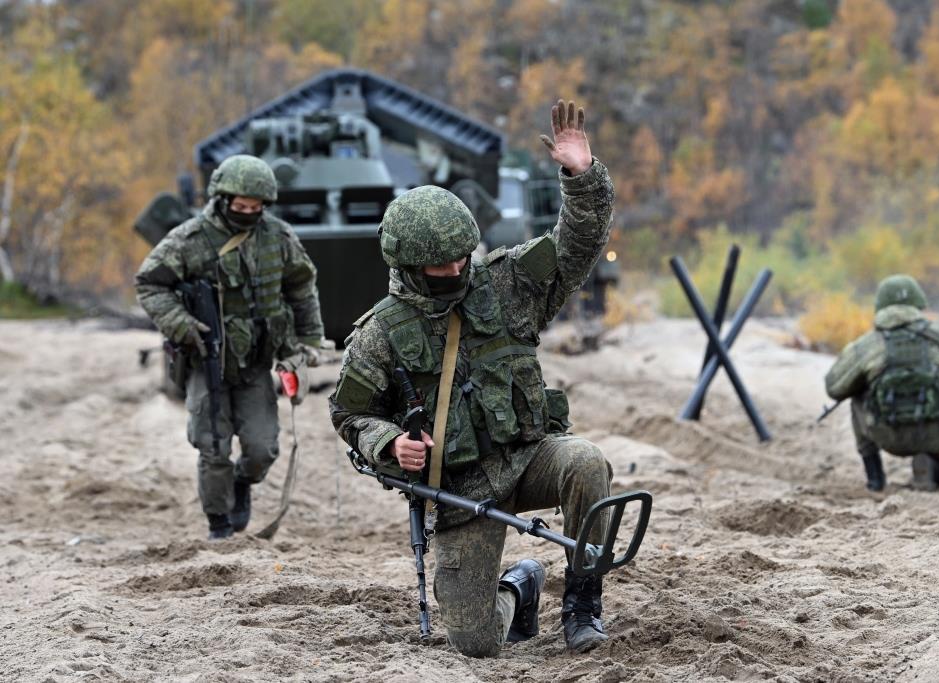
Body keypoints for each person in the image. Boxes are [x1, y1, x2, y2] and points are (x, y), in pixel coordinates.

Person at [330, 99, 615, 656]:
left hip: (530, 457)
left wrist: (580, 179)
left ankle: (584, 605)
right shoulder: (381, 333)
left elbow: (577, 248)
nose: (457, 270)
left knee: (585, 461)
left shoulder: (507, 285)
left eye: (462, 258)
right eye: (441, 265)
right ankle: (522, 585)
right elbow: (348, 414)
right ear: (408, 265)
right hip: (461, 490)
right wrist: (390, 443)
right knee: (476, 641)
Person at [136, 155, 323, 539]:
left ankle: (242, 483)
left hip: (255, 361)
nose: (248, 214)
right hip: (206, 360)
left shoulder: (278, 237)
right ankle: (218, 522)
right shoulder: (190, 239)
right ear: (222, 199)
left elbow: (301, 289)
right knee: (213, 446)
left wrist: (307, 341)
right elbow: (150, 283)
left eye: (256, 208)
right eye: (240, 207)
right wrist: (182, 325)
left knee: (261, 449)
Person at [825, 274, 939, 492]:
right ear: (918, 303)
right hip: (937, 435)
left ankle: (875, 478)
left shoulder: (868, 344)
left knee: (856, 398)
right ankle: (934, 463)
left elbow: (834, 388)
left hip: (888, 436)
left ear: (881, 306)